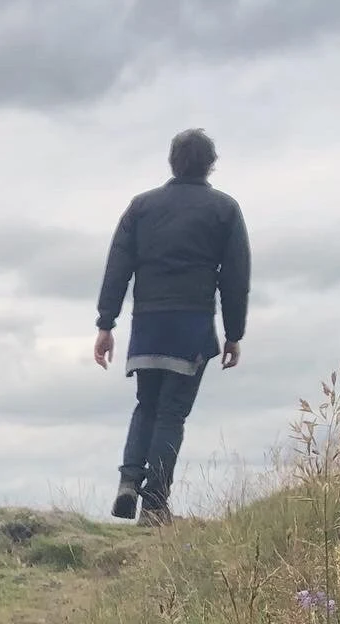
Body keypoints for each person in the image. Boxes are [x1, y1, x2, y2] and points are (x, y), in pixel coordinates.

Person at [94, 128, 251, 526]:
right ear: (211, 164)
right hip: (192, 325)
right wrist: (234, 334)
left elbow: (118, 267)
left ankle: (129, 482)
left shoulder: (141, 207)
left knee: (146, 405)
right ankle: (155, 504)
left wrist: (106, 323)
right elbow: (235, 276)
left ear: (172, 162)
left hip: (148, 323)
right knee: (171, 415)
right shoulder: (224, 210)